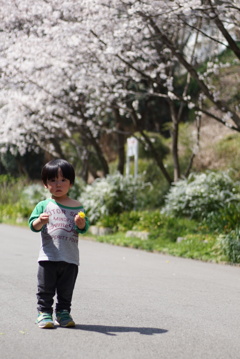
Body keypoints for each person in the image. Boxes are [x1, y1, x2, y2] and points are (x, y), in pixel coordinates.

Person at [29, 159, 90, 329]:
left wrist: (81, 224)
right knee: (45, 288)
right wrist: (40, 221)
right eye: (52, 180)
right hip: (48, 256)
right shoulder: (44, 205)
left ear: (71, 183)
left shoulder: (77, 206)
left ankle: (63, 313)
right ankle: (44, 313)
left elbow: (84, 228)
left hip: (70, 258)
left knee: (66, 290)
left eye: (63, 180)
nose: (58, 184)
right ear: (45, 184)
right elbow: (32, 225)